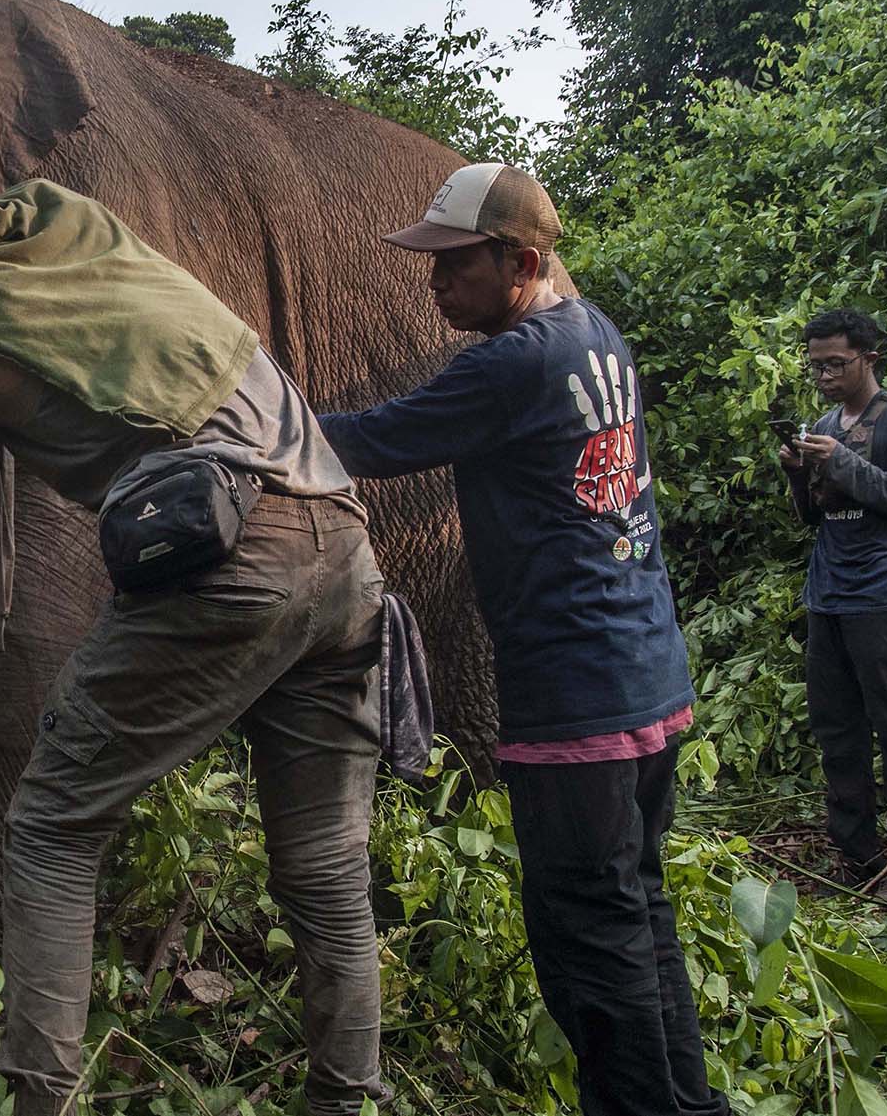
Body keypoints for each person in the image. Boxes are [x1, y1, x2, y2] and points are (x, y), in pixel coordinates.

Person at [0, 163, 389, 1116]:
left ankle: (40, 1101)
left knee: (50, 825)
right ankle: (349, 1099)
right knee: (326, 862)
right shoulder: (60, 217)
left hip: (233, 552)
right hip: (343, 542)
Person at [315, 163, 726, 1116]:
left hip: (574, 700)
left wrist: (252, 419)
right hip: (649, 681)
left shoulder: (512, 362)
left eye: (456, 265)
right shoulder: (599, 336)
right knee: (638, 913)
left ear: (523, 261)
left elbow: (371, 439)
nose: (436, 285)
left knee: (588, 943)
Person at [779, 308, 887, 896]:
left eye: (836, 363)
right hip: (828, 595)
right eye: (816, 364)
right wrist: (800, 475)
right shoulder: (825, 421)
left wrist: (842, 461)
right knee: (837, 733)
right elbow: (813, 519)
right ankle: (859, 861)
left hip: (885, 594)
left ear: (869, 359)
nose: (823, 374)